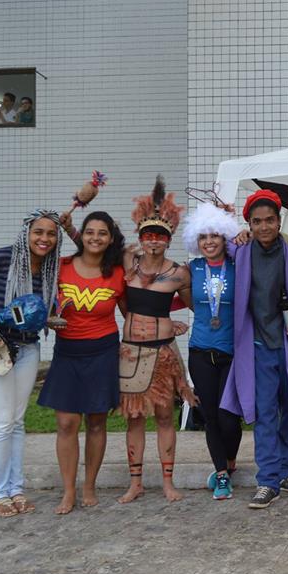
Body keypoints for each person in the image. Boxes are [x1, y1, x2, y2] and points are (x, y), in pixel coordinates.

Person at [0, 210, 63, 517]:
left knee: (17, 422)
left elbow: (35, 310)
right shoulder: (1, 258)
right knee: (2, 420)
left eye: (50, 234)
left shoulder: (50, 269)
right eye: (38, 232)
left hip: (26, 348)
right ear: (26, 234)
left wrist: (51, 320)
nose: (44, 239)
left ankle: (16, 490)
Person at [220, 190, 288, 509]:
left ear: (279, 221)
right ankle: (267, 480)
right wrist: (235, 234)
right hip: (258, 346)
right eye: (256, 222)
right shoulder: (241, 250)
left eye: (269, 220)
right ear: (249, 223)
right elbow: (214, 246)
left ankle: (285, 471)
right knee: (264, 413)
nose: (263, 227)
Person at [117, 176, 199, 504]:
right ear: (140, 237)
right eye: (148, 236)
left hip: (162, 353)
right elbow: (119, 298)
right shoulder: (127, 262)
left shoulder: (180, 273)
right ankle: (135, 483)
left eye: (160, 236)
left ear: (169, 239)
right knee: (134, 417)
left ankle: (168, 481)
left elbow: (199, 306)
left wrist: (173, 323)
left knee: (165, 416)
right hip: (131, 352)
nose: (153, 242)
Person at [39, 211, 126, 514]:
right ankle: (68, 491)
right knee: (66, 422)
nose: (95, 238)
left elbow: (130, 311)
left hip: (102, 351)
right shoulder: (61, 266)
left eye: (102, 233)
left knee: (97, 422)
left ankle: (89, 485)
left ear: (110, 238)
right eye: (90, 232)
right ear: (81, 235)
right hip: (67, 352)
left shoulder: (117, 272)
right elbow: (45, 303)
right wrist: (47, 319)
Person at [180, 201, 243, 500]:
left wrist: (240, 231)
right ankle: (221, 473)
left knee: (230, 416)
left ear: (224, 238)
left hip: (232, 352)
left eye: (215, 235)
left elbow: (255, 242)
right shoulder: (191, 269)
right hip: (201, 351)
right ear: (196, 240)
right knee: (211, 416)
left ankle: (229, 462)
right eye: (203, 237)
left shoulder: (238, 263)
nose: (209, 242)